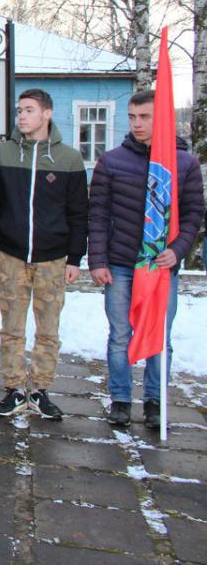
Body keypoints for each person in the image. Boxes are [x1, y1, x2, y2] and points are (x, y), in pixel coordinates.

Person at [89, 89, 204, 429]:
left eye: (145, 117)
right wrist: (98, 260)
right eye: (132, 117)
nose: (136, 124)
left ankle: (155, 401)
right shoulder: (111, 161)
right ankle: (121, 399)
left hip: (161, 267)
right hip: (121, 264)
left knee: (159, 336)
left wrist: (178, 250)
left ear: (162, 117)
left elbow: (194, 214)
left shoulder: (184, 162)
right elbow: (98, 214)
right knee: (119, 335)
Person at [0, 89, 88, 420]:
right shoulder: (2, 154)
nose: (22, 116)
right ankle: (14, 389)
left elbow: (78, 213)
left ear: (47, 114)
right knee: (11, 328)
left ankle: (40, 390)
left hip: (52, 259)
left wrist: (75, 258)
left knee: (48, 330)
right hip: (11, 256)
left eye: (29, 110)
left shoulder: (69, 158)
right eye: (19, 110)